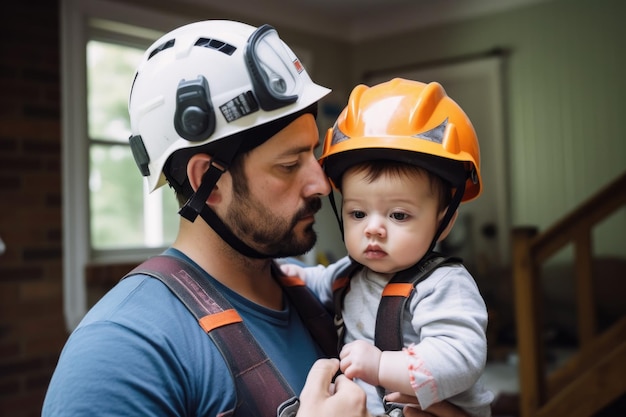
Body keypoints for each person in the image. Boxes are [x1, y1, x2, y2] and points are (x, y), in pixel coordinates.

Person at [42, 19, 471, 417]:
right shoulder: (123, 350)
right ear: (207, 180)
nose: (322, 184)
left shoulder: (319, 299)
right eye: (289, 164)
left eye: (314, 154)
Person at [280, 78, 494, 417]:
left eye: (398, 214)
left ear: (444, 220)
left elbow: (460, 357)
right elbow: (316, 282)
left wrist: (381, 365)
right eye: (358, 213)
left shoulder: (444, 284)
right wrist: (283, 273)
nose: (373, 228)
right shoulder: (349, 275)